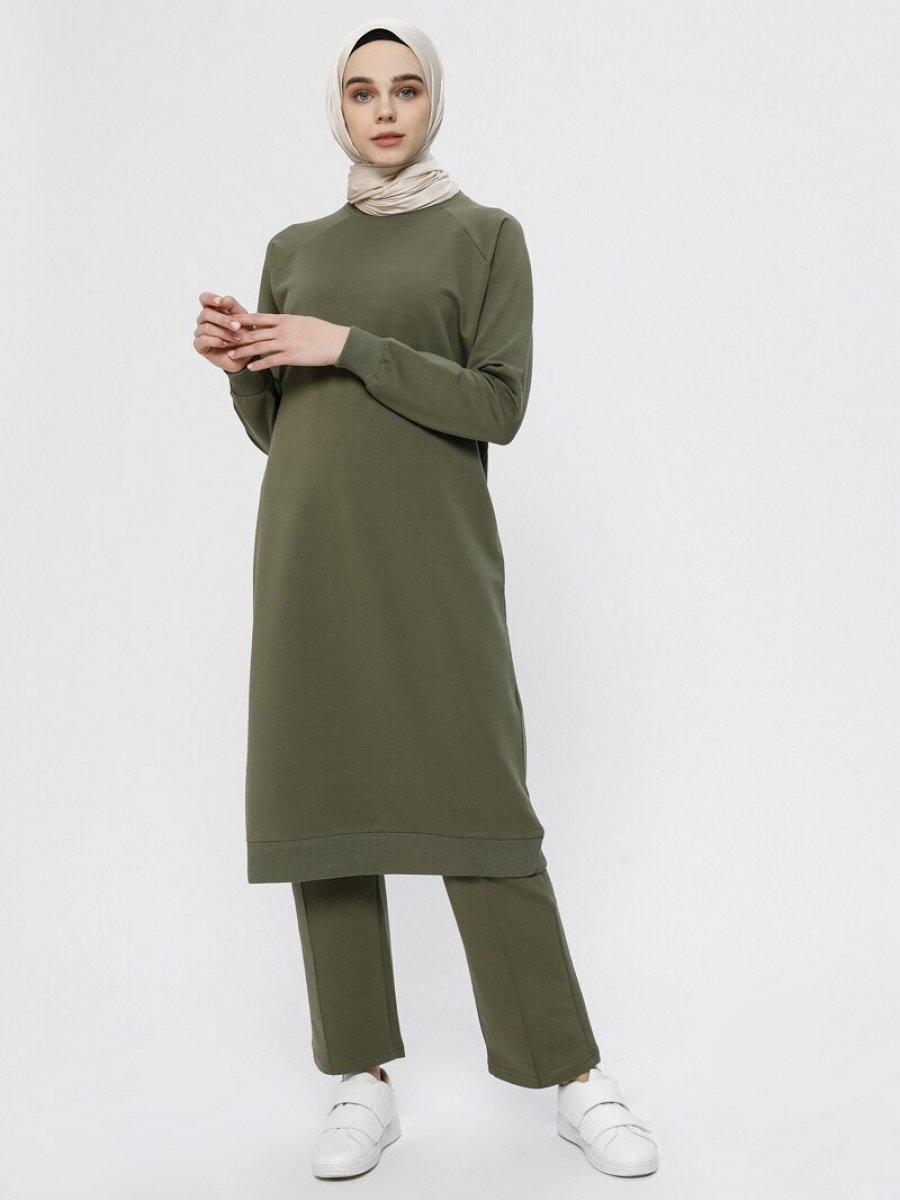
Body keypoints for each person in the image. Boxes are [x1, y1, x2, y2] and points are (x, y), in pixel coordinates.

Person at [194, 17, 659, 1182]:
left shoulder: (485, 235)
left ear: (434, 101)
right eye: (363, 92)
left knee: (479, 806)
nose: (385, 109)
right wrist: (243, 368)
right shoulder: (295, 246)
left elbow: (497, 404)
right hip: (308, 556)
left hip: (435, 560)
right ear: (339, 109)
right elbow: (283, 429)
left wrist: (348, 342)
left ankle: (573, 1077)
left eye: (405, 88)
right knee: (324, 803)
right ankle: (361, 1078)